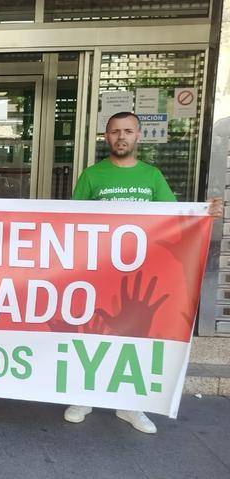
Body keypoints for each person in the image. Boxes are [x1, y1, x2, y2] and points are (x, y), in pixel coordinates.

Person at [64, 111, 222, 433]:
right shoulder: (92, 176)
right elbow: (70, 221)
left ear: (138, 136)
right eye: (114, 132)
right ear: (106, 137)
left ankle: (130, 406)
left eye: (127, 131)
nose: (121, 137)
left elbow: (175, 222)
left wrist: (205, 214)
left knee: (135, 339)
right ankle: (84, 396)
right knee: (94, 333)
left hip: (141, 276)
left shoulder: (152, 177)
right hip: (100, 273)